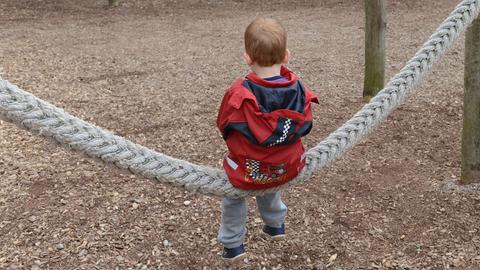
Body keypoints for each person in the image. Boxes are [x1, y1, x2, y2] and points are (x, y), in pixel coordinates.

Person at [216, 16, 318, 262]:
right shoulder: (299, 89)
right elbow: (306, 126)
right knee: (271, 175)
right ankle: (275, 226)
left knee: (234, 195)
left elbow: (224, 125)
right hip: (287, 166)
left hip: (248, 170)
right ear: (286, 56)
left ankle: (233, 246)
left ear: (247, 57)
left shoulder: (240, 93)